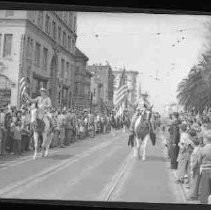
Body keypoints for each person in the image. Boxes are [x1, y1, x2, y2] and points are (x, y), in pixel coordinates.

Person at [198, 123, 211, 204]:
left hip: (206, 170)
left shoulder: (203, 149)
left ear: (205, 139)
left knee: (205, 189)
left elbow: (199, 161)